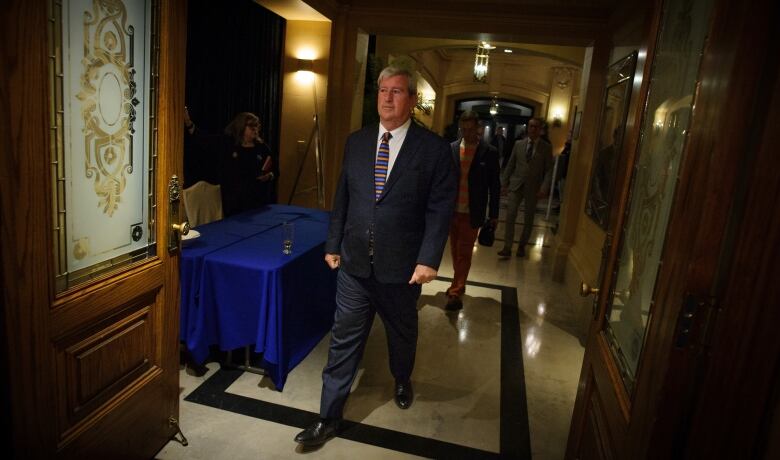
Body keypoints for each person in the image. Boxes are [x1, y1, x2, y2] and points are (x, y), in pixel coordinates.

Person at [294, 66, 457, 448]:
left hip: (402, 271)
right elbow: (343, 198)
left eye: (396, 91)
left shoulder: (433, 150)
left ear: (412, 100)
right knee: (343, 342)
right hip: (354, 266)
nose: (386, 98)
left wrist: (429, 259)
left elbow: (439, 210)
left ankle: (402, 376)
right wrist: (333, 244)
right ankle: (327, 417)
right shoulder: (358, 141)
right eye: (383, 90)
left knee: (402, 335)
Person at [445, 111, 500, 310]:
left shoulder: (489, 152)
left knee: (464, 253)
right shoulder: (451, 149)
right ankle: (458, 282)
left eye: (470, 129)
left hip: (472, 212)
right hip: (451, 211)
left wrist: (494, 214)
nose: (467, 133)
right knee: (454, 251)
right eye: (464, 129)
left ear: (477, 128)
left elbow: (495, 185)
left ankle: (455, 292)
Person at [498, 117, 553, 258]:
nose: (533, 129)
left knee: (529, 219)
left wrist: (544, 188)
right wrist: (504, 183)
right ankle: (507, 247)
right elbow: (510, 165)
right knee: (510, 216)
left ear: (540, 130)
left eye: (536, 127)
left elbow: (548, 170)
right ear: (527, 128)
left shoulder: (546, 148)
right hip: (516, 185)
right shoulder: (518, 144)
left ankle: (522, 245)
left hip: (533, 188)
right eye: (531, 126)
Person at [219, 112, 278, 216]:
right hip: (235, 203)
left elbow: (276, 170)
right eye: (251, 126)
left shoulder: (262, 147)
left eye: (256, 125)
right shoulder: (231, 147)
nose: (255, 129)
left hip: (258, 201)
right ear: (241, 127)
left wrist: (269, 176)